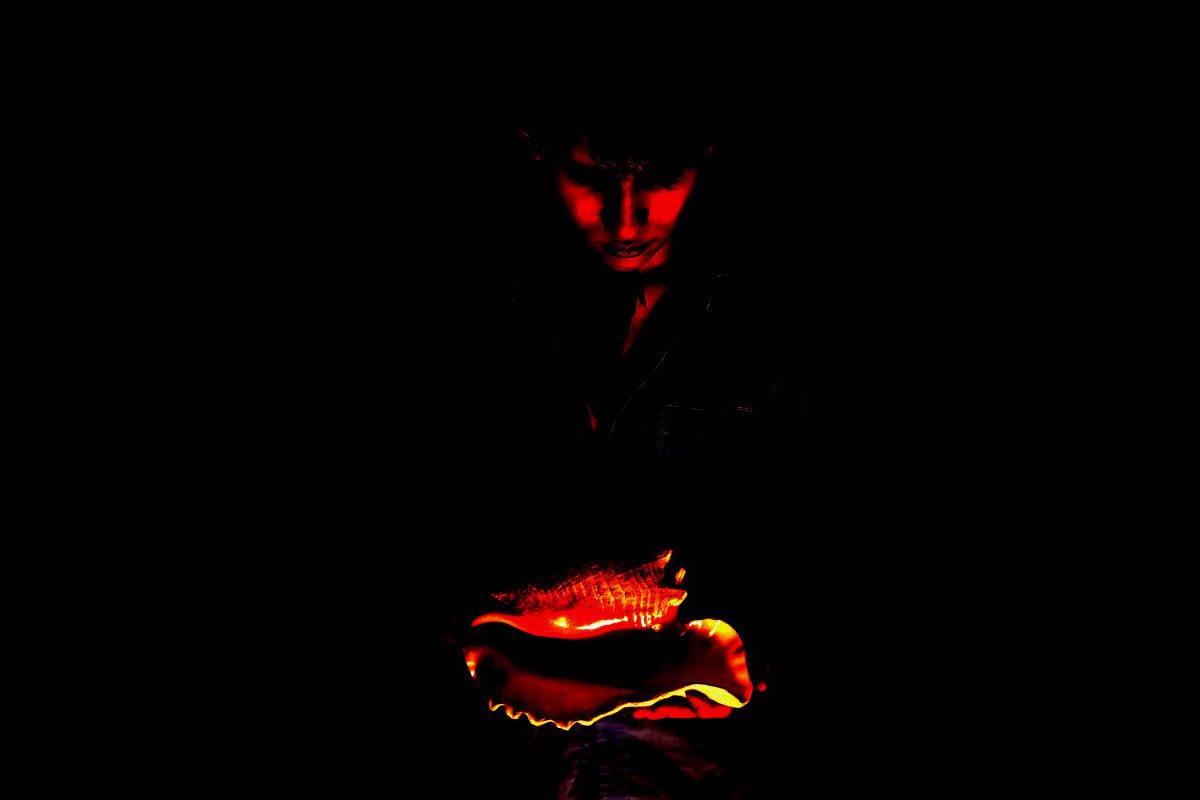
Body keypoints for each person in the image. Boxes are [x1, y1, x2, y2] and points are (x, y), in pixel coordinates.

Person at [480, 108, 812, 470]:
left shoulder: (772, 324)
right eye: (590, 177)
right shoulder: (505, 308)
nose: (624, 225)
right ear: (544, 160)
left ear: (704, 163)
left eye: (658, 179)